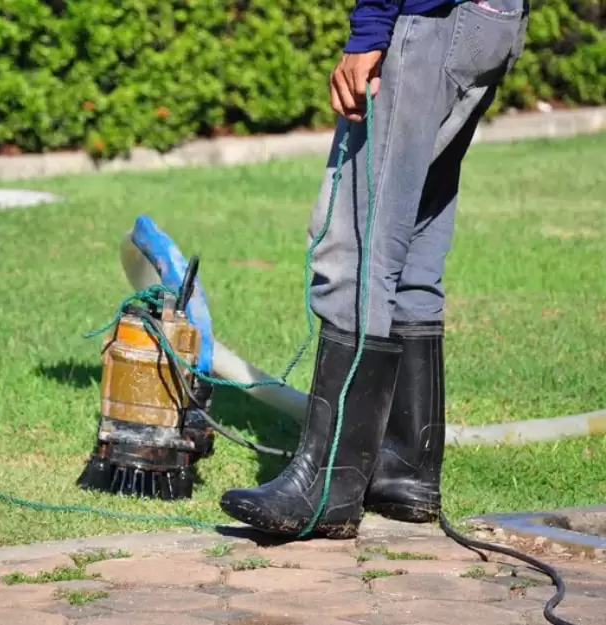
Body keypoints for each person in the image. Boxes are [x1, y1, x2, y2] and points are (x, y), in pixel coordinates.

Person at [219, 0, 530, 538]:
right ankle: (404, 470)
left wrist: (369, 31)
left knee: (356, 249)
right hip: (490, 20)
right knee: (412, 247)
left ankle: (326, 488)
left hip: (428, 21)